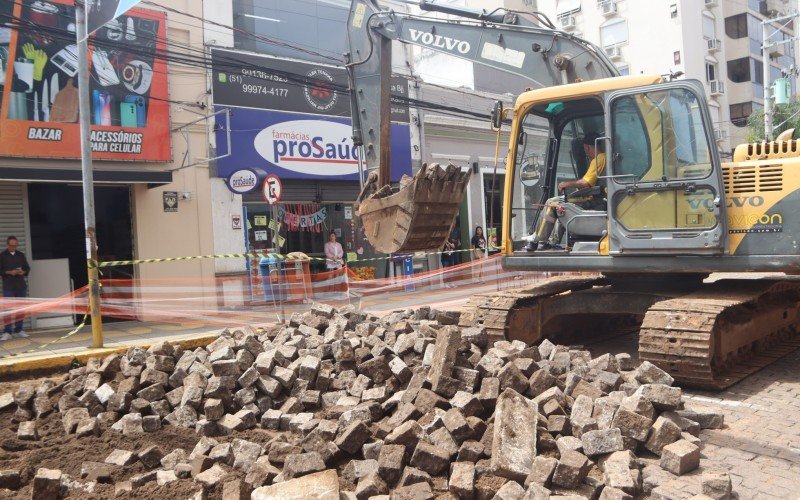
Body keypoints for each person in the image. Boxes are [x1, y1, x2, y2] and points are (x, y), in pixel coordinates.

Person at [526, 131, 607, 251]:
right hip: (599, 198)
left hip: (595, 200)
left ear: (588, 147)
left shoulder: (598, 159)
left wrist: (566, 184)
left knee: (552, 202)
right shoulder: (604, 158)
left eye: (585, 149)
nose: (586, 152)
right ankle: (553, 242)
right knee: (562, 207)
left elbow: (586, 183)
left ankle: (538, 239)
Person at [0, 236, 31, 340]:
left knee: (20, 309)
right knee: (8, 309)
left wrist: (23, 271)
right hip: (8, 285)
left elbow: (27, 268)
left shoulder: (21, 255)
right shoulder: (2, 256)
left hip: (20, 285)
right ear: (7, 245)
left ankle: (19, 329)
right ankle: (7, 332)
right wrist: (9, 272)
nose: (14, 247)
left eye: (16, 245)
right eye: (12, 245)